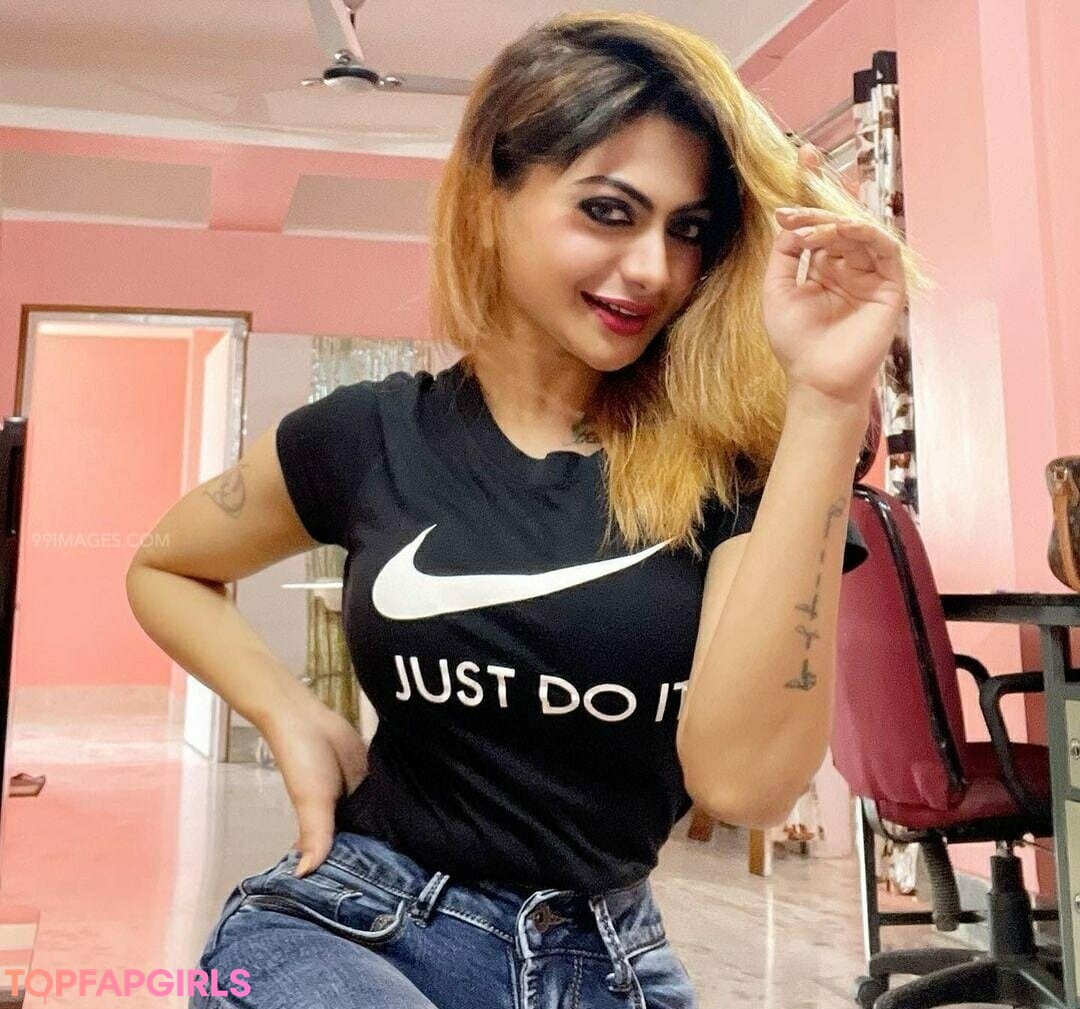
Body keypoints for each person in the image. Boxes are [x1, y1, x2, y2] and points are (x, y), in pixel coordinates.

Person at [126, 11, 925, 1008]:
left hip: (613, 960)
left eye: (687, 230)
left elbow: (745, 787)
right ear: (489, 200)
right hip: (359, 922)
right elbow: (164, 565)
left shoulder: (737, 476)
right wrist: (288, 712)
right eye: (609, 211)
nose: (654, 269)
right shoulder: (366, 435)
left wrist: (826, 399)